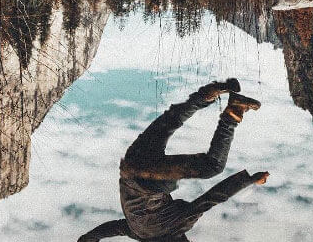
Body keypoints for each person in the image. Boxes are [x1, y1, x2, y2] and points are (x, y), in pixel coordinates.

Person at [77, 78, 269, 241]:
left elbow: (212, 198)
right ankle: (204, 95)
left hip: (151, 179)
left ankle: (235, 110)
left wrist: (250, 179)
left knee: (213, 167)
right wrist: (88, 239)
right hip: (130, 165)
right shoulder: (136, 232)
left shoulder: (175, 228)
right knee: (170, 122)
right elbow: (109, 229)